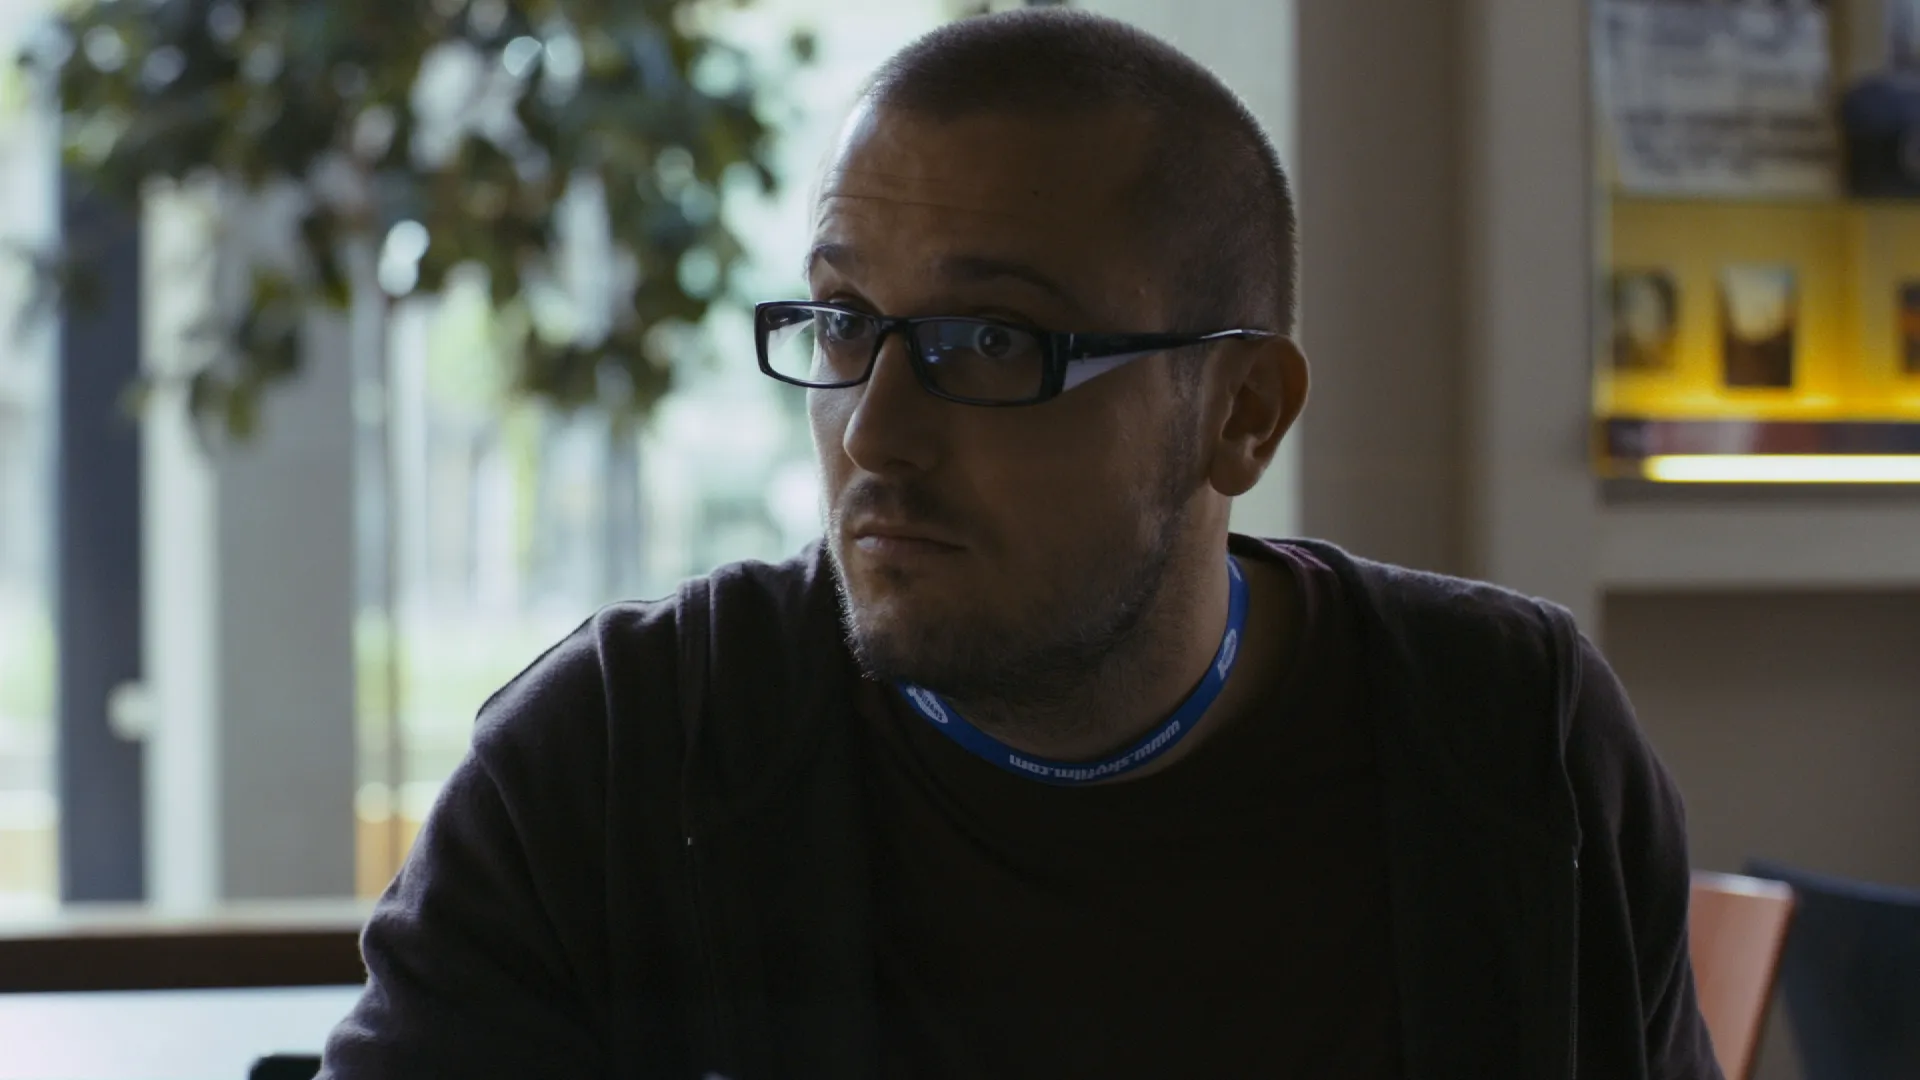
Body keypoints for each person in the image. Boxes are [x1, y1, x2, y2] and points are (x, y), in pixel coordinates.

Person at [320, 9, 1721, 1080]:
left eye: (992, 341)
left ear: (1241, 415)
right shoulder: (623, 763)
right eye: (845, 324)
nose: (877, 434)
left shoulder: (1507, 742)